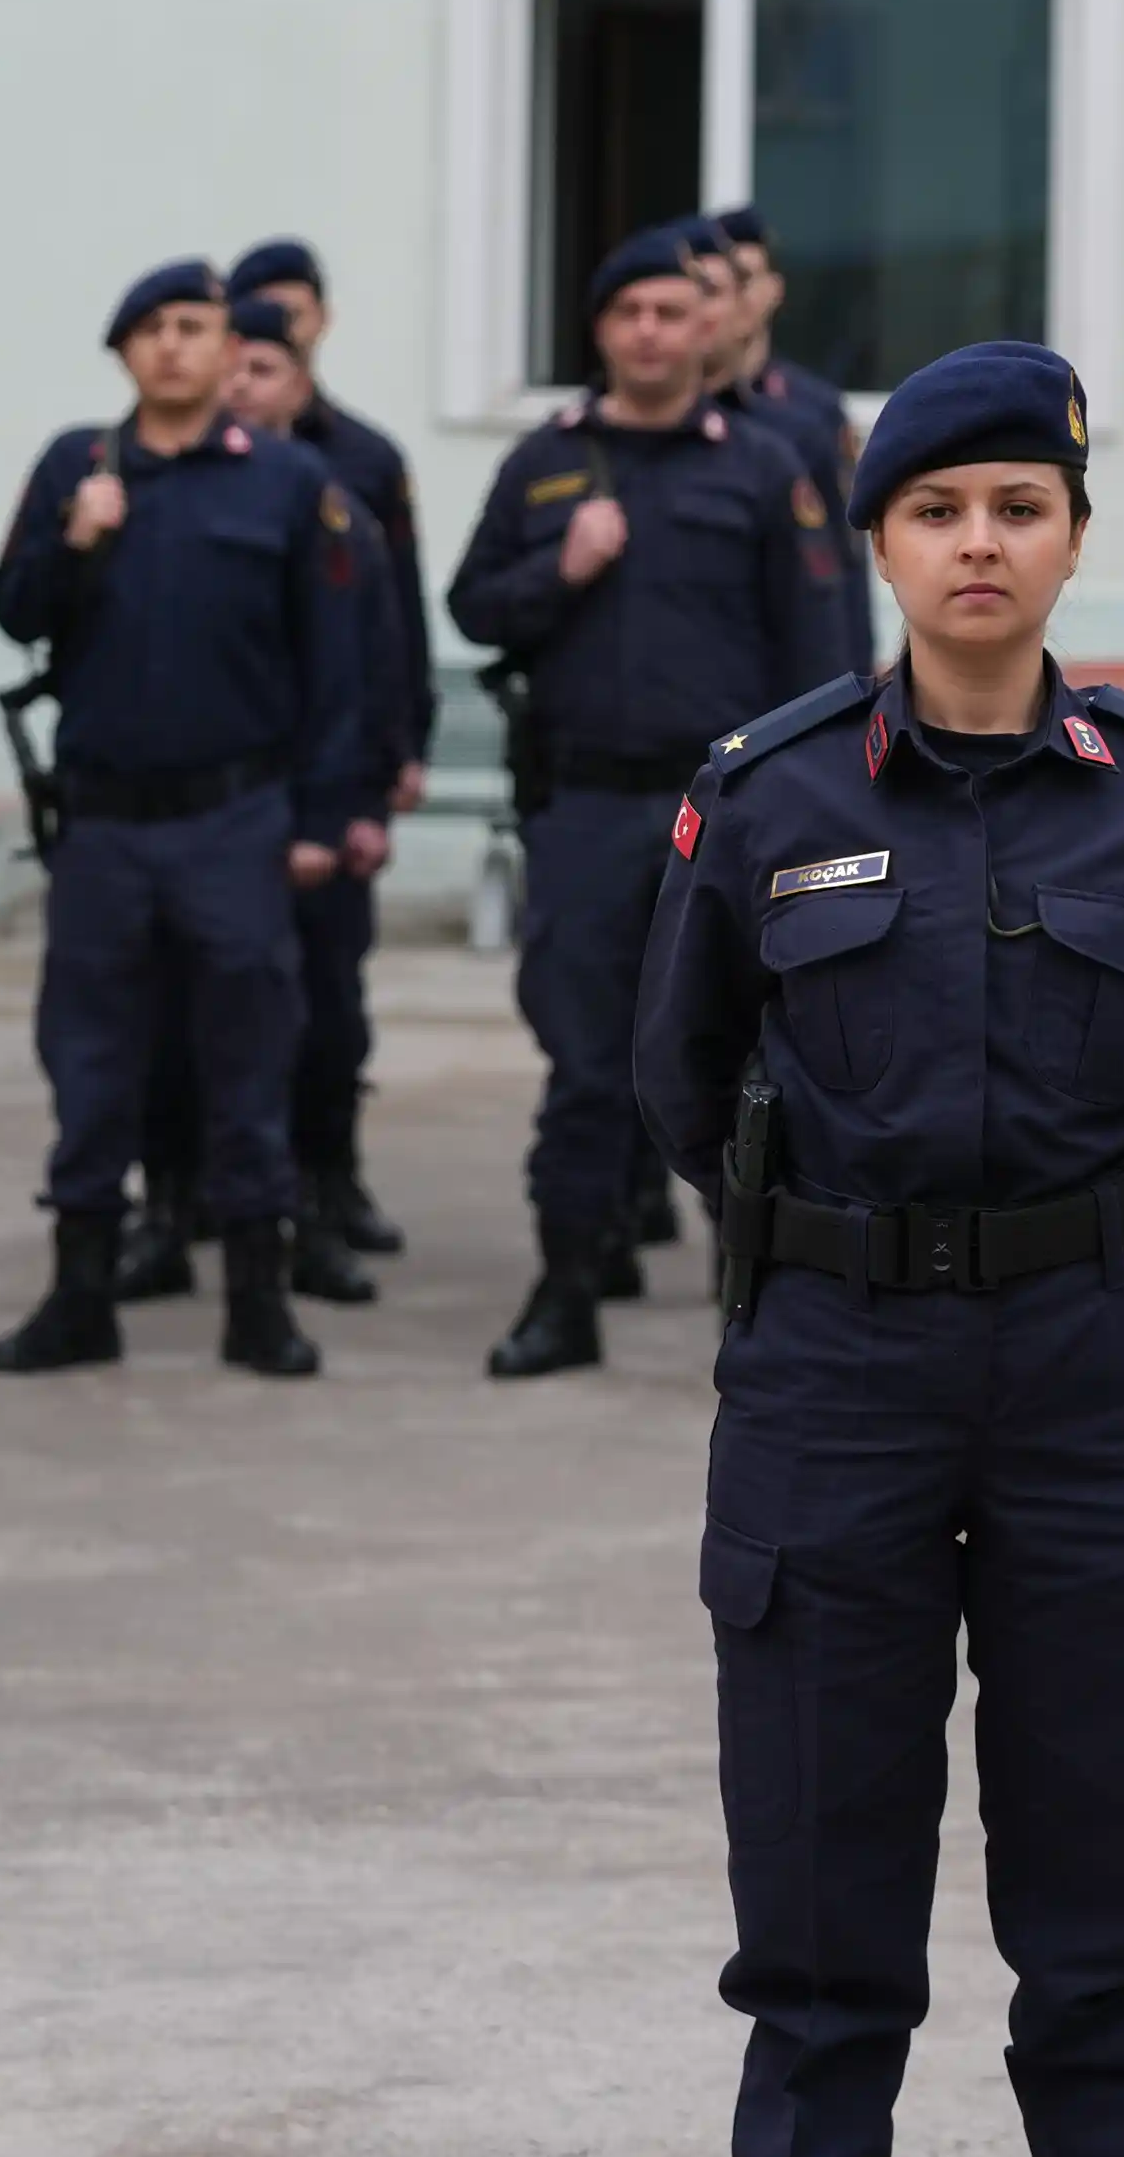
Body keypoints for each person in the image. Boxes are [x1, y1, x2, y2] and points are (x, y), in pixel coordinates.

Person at [636, 340, 1124, 2157]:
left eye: (1018, 510)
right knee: (814, 1948)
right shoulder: (771, 792)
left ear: (1071, 538)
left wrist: (1100, 1226)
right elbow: (674, 1074)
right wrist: (835, 1234)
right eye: (938, 509)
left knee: (1109, 1946)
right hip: (833, 1372)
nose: (979, 543)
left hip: (1093, 1374)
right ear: (878, 542)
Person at [448, 225, 843, 1381]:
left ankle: (755, 1306)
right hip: (588, 808)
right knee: (584, 1063)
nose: (656, 332)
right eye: (633, 313)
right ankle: (566, 1291)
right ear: (602, 329)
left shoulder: (765, 466)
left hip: (729, 816)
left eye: (676, 312)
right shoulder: (547, 464)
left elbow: (817, 653)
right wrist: (557, 569)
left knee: (748, 1064)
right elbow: (475, 605)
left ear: (706, 326)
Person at [0, 260, 385, 1380]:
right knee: (91, 1060)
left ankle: (258, 1299)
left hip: (235, 819)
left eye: (195, 328)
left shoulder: (290, 481)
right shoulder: (80, 466)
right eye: (152, 329)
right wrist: (74, 539)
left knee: (251, 1057)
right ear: (123, 352)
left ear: (228, 349)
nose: (173, 347)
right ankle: (80, 1294)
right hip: (105, 826)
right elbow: (13, 611)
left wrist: (321, 814)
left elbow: (331, 667)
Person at [101, 296, 397, 1312]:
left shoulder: (331, 485)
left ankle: (307, 1214)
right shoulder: (140, 480)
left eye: (262, 368)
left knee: (311, 1029)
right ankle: (172, 1210)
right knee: (174, 1035)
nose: (241, 386)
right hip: (205, 816)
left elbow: (370, 660)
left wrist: (357, 799)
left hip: (299, 808)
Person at [219, 236, 429, 1258]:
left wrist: (398, 755)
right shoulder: (181, 467)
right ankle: (194, 1197)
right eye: (253, 316)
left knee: (331, 1004)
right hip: (229, 782)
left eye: (289, 315)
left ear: (319, 328)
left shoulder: (365, 460)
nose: (271, 332)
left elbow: (393, 634)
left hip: (335, 769)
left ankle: (328, 1183)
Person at [706, 206, 871, 669]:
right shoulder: (672, 410)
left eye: (745, 277)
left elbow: (844, 565)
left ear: (774, 290)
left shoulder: (811, 413)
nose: (732, 295)